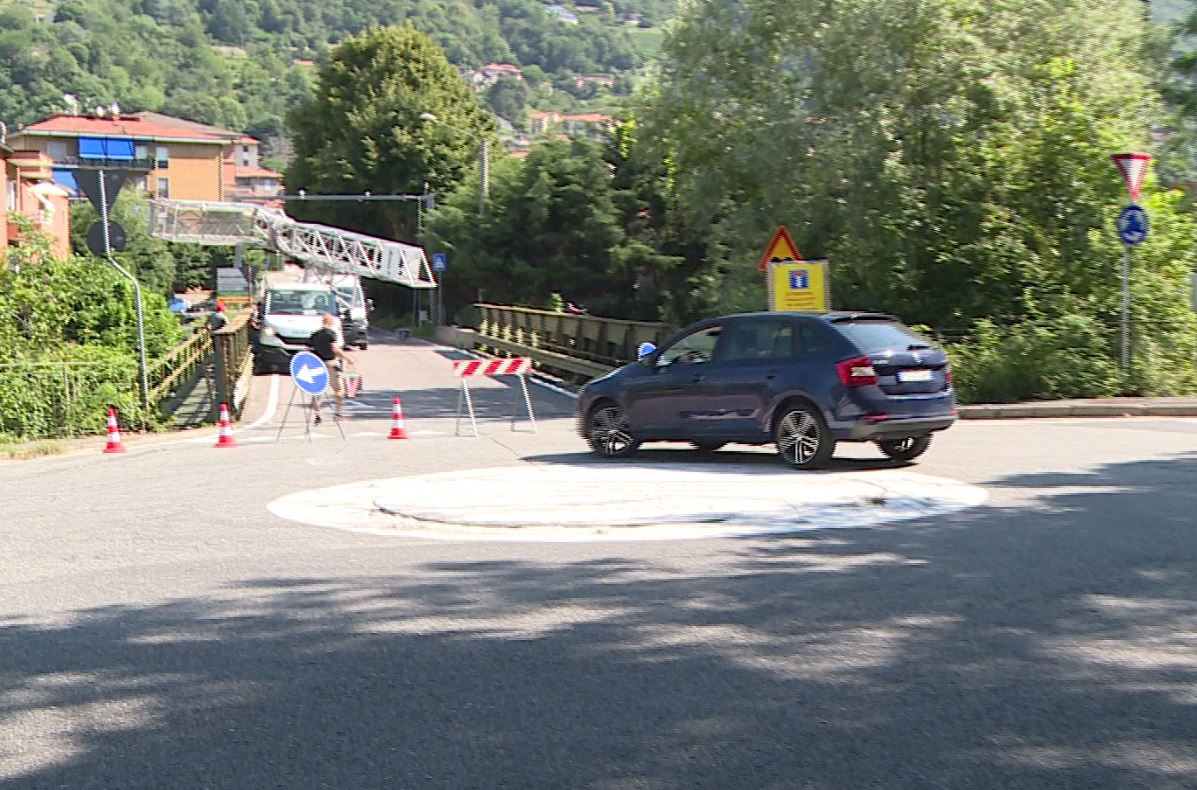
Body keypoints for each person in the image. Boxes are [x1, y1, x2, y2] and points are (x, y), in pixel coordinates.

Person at [306, 312, 354, 424]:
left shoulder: (315, 334)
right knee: (338, 390)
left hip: (317, 364)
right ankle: (337, 414)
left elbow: (307, 349)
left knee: (318, 390)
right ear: (330, 322)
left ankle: (317, 414)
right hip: (330, 364)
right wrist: (348, 358)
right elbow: (335, 349)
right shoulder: (331, 333)